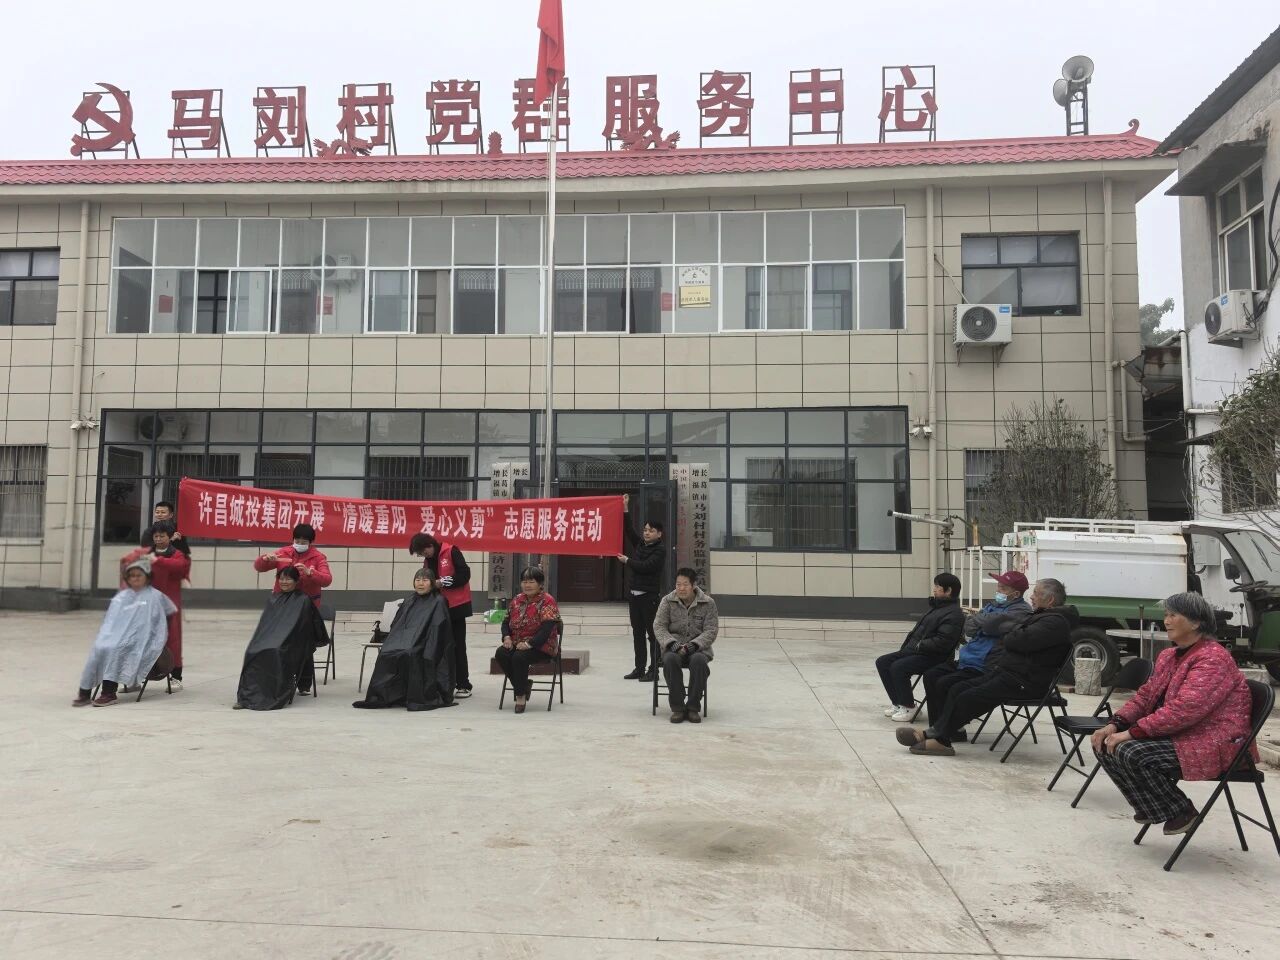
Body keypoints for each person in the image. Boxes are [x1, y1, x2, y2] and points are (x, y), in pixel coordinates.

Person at [1091, 592, 1256, 835]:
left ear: (1196, 622)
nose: (1166, 621)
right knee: (1103, 743)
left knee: (1130, 750)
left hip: (1216, 741)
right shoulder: (1169, 655)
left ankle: (1182, 811)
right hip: (1184, 733)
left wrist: (1132, 733)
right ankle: (1152, 806)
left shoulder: (1213, 658)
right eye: (1166, 615)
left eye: (1173, 615)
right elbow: (1145, 696)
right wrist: (1115, 724)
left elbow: (1185, 710)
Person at [896, 577, 1077, 757]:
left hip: (1024, 681)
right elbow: (1008, 636)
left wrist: (1010, 633)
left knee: (967, 697)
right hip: (1009, 673)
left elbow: (1016, 640)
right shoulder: (1043, 617)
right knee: (958, 688)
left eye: (1036, 593)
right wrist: (1011, 634)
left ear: (1050, 600)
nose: (1032, 597)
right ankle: (936, 734)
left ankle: (938, 739)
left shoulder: (1054, 622)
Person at [920, 570, 1032, 742]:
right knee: (931, 675)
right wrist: (984, 621)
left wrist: (981, 619)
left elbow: (990, 624)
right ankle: (939, 727)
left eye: (1003, 588)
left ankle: (947, 730)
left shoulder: (1021, 610)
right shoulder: (993, 605)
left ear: (1016, 594)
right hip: (967, 658)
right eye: (998, 586)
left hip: (985, 664)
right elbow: (969, 628)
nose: (998, 590)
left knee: (946, 684)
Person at [74, 556, 176, 707]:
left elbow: (168, 616)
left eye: (139, 575)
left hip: (146, 639)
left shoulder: (156, 596)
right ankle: (85, 693)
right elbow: (110, 620)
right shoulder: (122, 597)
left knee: (117, 649)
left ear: (147, 577)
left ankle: (109, 693)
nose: (135, 578)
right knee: (100, 648)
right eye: (132, 575)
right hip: (122, 636)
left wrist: (156, 633)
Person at [353, 569, 455, 711]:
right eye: (418, 580)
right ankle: (387, 695)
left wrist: (418, 641)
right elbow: (397, 624)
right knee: (386, 652)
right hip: (406, 640)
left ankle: (412, 695)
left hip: (425, 643)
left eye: (425, 580)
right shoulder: (409, 600)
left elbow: (438, 630)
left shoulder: (439, 601)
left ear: (432, 583)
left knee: (410, 653)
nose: (420, 583)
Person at [234, 567, 331, 710]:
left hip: (291, 641)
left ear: (296, 581)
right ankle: (246, 697)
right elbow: (265, 626)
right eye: (281, 578)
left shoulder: (303, 600)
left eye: (288, 579)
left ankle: (274, 695)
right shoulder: (273, 599)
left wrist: (280, 640)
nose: (284, 582)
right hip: (271, 639)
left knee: (276, 651)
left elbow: (301, 628)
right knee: (252, 652)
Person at [875, 573, 964, 722]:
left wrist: (921, 644)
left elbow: (944, 642)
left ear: (948, 590)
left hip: (935, 656)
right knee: (882, 662)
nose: (934, 589)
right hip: (918, 651)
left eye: (937, 586)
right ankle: (898, 703)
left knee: (898, 667)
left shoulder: (954, 614)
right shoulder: (937, 607)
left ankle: (909, 707)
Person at [121, 521, 190, 685]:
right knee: (140, 637)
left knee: (172, 639)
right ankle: (135, 678)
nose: (158, 539)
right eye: (156, 536)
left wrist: (157, 560)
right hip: (146, 601)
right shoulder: (145, 553)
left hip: (169, 603)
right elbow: (126, 561)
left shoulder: (177, 554)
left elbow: (180, 566)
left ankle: (176, 676)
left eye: (162, 536)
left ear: (169, 537)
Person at [409, 532, 474, 699]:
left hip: (456, 606)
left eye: (423, 552)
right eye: (420, 554)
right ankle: (443, 683)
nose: (423, 555)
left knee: (458, 646)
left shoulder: (451, 551)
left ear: (430, 545)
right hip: (437, 607)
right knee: (438, 646)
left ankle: (463, 684)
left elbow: (464, 575)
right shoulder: (427, 560)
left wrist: (442, 582)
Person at [655, 567, 719, 724]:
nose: (681, 588)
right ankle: (678, 708)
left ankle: (693, 708)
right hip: (673, 647)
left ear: (694, 585)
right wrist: (672, 644)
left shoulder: (708, 603)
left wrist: (694, 645)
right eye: (678, 584)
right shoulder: (667, 601)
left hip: (698, 649)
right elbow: (659, 626)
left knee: (699, 661)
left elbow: (711, 630)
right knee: (670, 660)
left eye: (685, 584)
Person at [495, 567, 562, 715]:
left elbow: (546, 630)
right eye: (524, 582)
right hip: (516, 642)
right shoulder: (517, 599)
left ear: (540, 584)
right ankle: (524, 685)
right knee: (501, 653)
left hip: (542, 646)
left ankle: (520, 696)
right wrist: (506, 637)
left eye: (531, 582)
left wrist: (528, 644)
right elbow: (505, 622)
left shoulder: (547, 601)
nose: (527, 585)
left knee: (519, 657)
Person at [617, 493, 666, 681]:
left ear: (659, 534)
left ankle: (654, 671)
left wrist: (627, 561)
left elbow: (646, 567)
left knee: (652, 635)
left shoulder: (660, 550)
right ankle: (639, 668)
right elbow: (629, 530)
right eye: (645, 530)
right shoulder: (640, 545)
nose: (646, 533)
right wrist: (625, 508)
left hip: (649, 597)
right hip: (634, 596)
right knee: (637, 633)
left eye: (651, 531)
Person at [253, 523, 333, 607]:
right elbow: (258, 567)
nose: (300, 544)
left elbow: (327, 580)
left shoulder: (319, 557)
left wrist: (310, 573)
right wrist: (265, 559)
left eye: (303, 543)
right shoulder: (283, 552)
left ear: (311, 542)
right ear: (293, 539)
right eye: (297, 541)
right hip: (281, 600)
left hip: (306, 604)